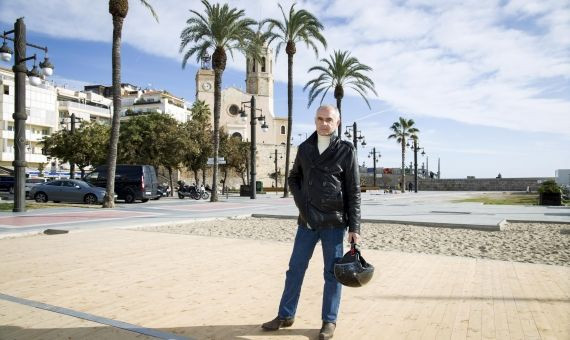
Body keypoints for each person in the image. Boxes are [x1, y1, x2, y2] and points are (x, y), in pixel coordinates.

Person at [261, 105, 361, 340]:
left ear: (337, 122)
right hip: (306, 222)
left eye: (329, 120)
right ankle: (285, 315)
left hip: (334, 222)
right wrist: (302, 205)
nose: (324, 123)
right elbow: (294, 178)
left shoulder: (346, 150)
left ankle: (329, 321)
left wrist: (355, 227)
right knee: (294, 269)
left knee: (332, 274)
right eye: (320, 119)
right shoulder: (305, 148)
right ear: (314, 121)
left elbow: (353, 191)